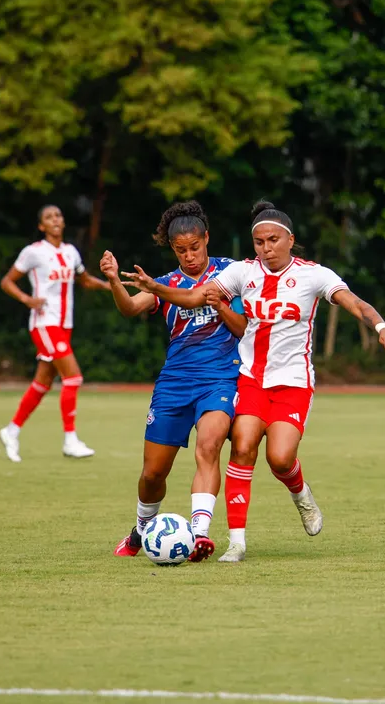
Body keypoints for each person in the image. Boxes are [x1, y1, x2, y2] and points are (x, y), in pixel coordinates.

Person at [123, 200, 385, 562]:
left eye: (273, 240)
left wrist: (382, 328)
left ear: (290, 239)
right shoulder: (242, 272)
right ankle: (236, 543)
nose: (266, 247)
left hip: (293, 383)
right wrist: (155, 288)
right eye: (259, 242)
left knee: (281, 458)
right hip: (251, 379)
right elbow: (194, 297)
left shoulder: (314, 275)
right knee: (241, 447)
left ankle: (301, 495)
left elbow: (356, 303)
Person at [100, 201, 246, 562]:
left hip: (221, 379)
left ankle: (198, 536)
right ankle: (141, 530)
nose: (190, 256)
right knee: (152, 474)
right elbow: (131, 308)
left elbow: (244, 328)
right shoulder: (165, 284)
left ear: (207, 238)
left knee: (209, 446)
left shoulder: (231, 272)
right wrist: (114, 281)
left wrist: (217, 303)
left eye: (195, 247)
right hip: (175, 383)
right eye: (181, 250)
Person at [0, 204, 110, 461]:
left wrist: (111, 285)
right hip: (44, 323)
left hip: (64, 325)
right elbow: (7, 281)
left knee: (43, 383)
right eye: (49, 217)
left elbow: (84, 280)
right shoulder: (33, 252)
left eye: (58, 215)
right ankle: (70, 439)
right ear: (41, 226)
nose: (55, 220)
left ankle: (11, 430)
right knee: (73, 377)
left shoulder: (71, 252)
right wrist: (27, 299)